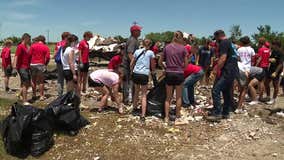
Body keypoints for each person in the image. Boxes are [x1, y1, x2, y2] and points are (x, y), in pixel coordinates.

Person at [207, 30, 239, 122]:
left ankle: (217, 114)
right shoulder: (230, 43)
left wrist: (214, 70)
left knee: (215, 90)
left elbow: (223, 58)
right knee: (226, 91)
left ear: (218, 36)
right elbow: (234, 57)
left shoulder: (223, 43)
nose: (216, 41)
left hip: (227, 71)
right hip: (233, 70)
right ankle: (225, 113)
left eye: (216, 39)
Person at [159, 31, 188, 123]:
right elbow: (186, 64)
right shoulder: (183, 48)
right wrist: (181, 68)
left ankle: (166, 117)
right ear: (181, 38)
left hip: (169, 73)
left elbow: (160, 62)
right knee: (178, 97)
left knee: (168, 97)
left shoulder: (167, 47)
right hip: (179, 73)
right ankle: (177, 115)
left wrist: (165, 67)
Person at [130, 39, 156, 122]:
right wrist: (153, 73)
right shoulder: (151, 53)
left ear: (143, 43)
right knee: (144, 95)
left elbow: (132, 63)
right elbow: (152, 65)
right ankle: (143, 115)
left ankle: (134, 109)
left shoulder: (137, 51)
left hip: (136, 73)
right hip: (144, 74)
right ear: (150, 44)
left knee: (136, 91)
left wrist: (132, 71)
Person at [122, 24, 142, 105]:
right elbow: (130, 53)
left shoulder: (133, 39)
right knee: (128, 82)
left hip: (128, 64)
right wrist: (133, 64)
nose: (140, 32)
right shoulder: (133, 40)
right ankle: (128, 100)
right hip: (128, 65)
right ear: (134, 32)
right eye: (139, 30)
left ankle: (131, 99)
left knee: (128, 82)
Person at [12, 33, 31, 105]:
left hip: (26, 67)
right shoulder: (20, 46)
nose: (30, 41)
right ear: (25, 38)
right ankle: (25, 100)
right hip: (22, 68)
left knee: (26, 83)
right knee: (25, 84)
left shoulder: (26, 46)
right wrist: (14, 68)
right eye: (29, 39)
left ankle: (20, 95)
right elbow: (16, 56)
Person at [29, 35, 50, 101]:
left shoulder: (33, 46)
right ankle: (41, 96)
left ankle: (34, 95)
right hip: (41, 64)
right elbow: (48, 57)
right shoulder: (45, 47)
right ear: (44, 40)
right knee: (41, 81)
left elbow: (29, 55)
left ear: (38, 40)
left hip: (33, 64)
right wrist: (45, 64)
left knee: (33, 80)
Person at [265, 40, 284, 105]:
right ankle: (268, 96)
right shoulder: (274, 51)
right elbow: (269, 59)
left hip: (277, 71)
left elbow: (281, 64)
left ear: (276, 45)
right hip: (271, 69)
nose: (272, 46)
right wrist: (270, 60)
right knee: (266, 83)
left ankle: (274, 99)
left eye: (273, 45)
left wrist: (276, 72)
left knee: (275, 85)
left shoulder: (281, 53)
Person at [54, 32, 70, 96]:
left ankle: (59, 94)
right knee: (68, 79)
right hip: (66, 63)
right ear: (67, 37)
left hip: (59, 63)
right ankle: (68, 94)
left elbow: (55, 54)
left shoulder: (58, 43)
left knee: (60, 79)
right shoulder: (68, 43)